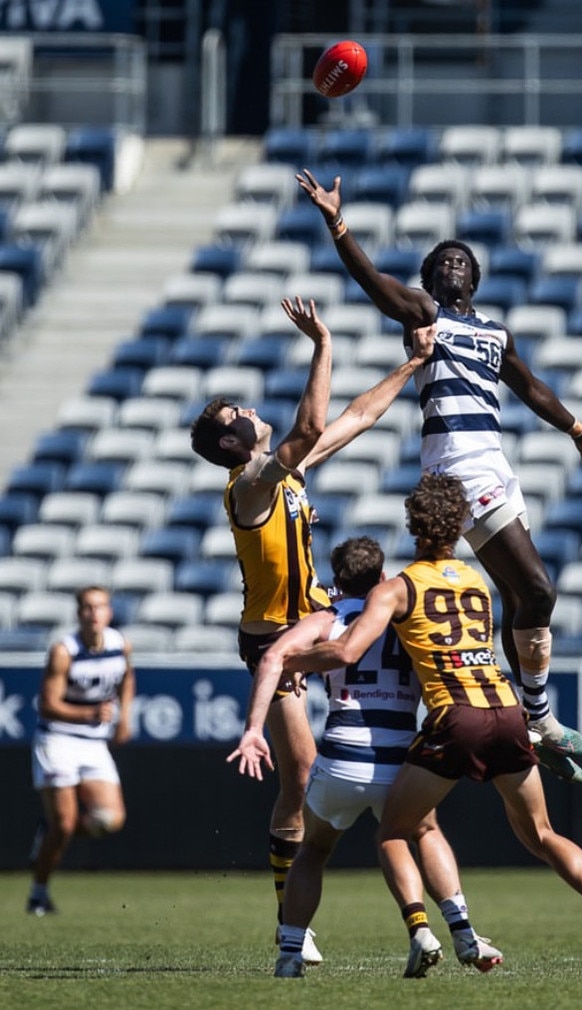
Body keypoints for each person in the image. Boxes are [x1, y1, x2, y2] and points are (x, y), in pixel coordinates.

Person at [295, 168, 582, 780]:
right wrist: (336, 221)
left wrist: (577, 431)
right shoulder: (424, 315)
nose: (452, 266)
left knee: (521, 597)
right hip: (459, 466)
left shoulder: (496, 332)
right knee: (540, 591)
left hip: (495, 463)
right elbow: (371, 281)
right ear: (428, 279)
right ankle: (540, 719)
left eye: (461, 260)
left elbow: (532, 388)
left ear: (476, 276)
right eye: (441, 261)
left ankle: (533, 719)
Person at [282, 473, 582, 979]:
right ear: (459, 527)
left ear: (413, 525)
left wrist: (291, 663)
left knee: (394, 830)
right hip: (508, 710)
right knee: (540, 832)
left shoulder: (398, 588)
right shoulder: (477, 583)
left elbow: (348, 650)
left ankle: (424, 930)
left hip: (456, 718)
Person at [190, 297, 435, 961]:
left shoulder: (284, 474)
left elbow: (355, 418)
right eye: (235, 414)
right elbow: (313, 424)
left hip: (320, 619)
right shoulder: (250, 486)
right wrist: (322, 343)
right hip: (275, 637)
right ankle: (289, 919)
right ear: (233, 443)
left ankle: (427, 909)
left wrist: (413, 363)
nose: (246, 408)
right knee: (300, 777)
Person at [227, 534, 503, 978]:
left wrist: (254, 730)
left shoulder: (327, 617)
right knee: (424, 831)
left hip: (340, 759)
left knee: (313, 850)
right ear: (382, 576)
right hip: (399, 762)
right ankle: (457, 930)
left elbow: (272, 658)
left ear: (337, 581)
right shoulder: (406, 615)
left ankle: (290, 954)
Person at [27, 585, 135, 915]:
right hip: (58, 740)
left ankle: (53, 830)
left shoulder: (120, 645)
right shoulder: (65, 650)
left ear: (109, 612)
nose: (93, 613)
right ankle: (38, 894)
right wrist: (89, 714)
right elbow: (47, 705)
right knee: (64, 824)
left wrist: (124, 718)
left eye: (100, 606)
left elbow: (127, 678)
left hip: (93, 743)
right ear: (78, 614)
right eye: (87, 607)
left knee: (111, 819)